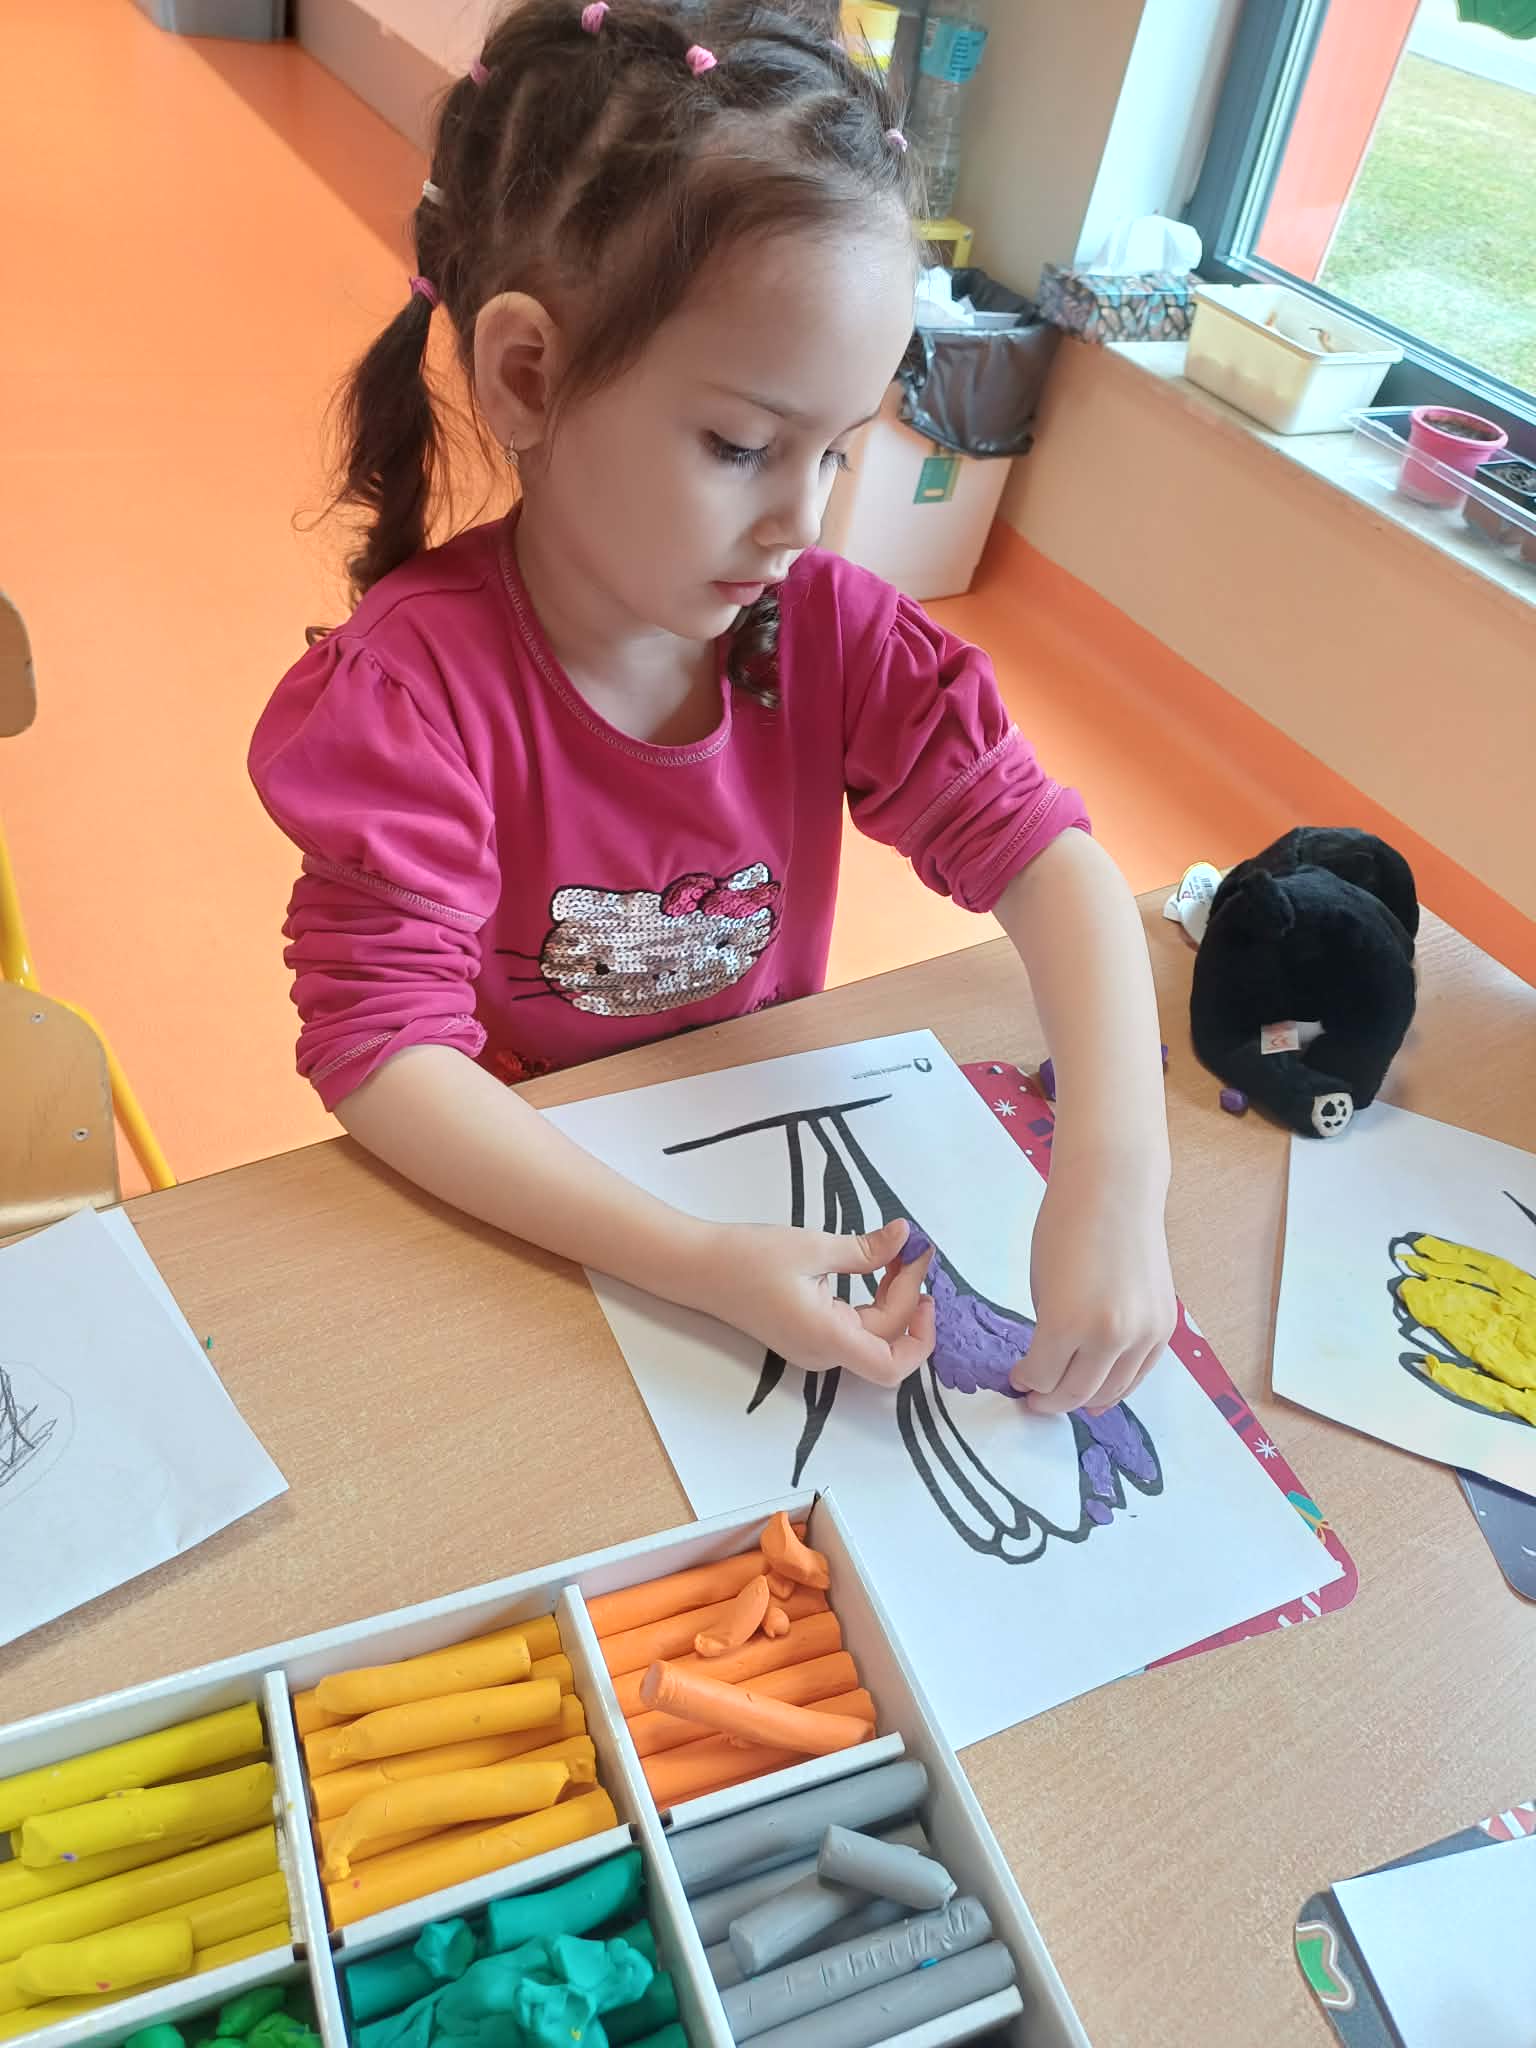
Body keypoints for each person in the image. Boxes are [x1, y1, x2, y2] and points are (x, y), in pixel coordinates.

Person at [250, 0, 1175, 1416]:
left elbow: (1051, 861)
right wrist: (688, 1258)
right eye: (743, 446)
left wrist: (1115, 1175)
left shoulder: (829, 632)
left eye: (841, 451)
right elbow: (384, 1054)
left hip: (754, 1147)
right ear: (529, 375)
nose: (804, 521)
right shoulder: (415, 696)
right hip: (540, 1219)